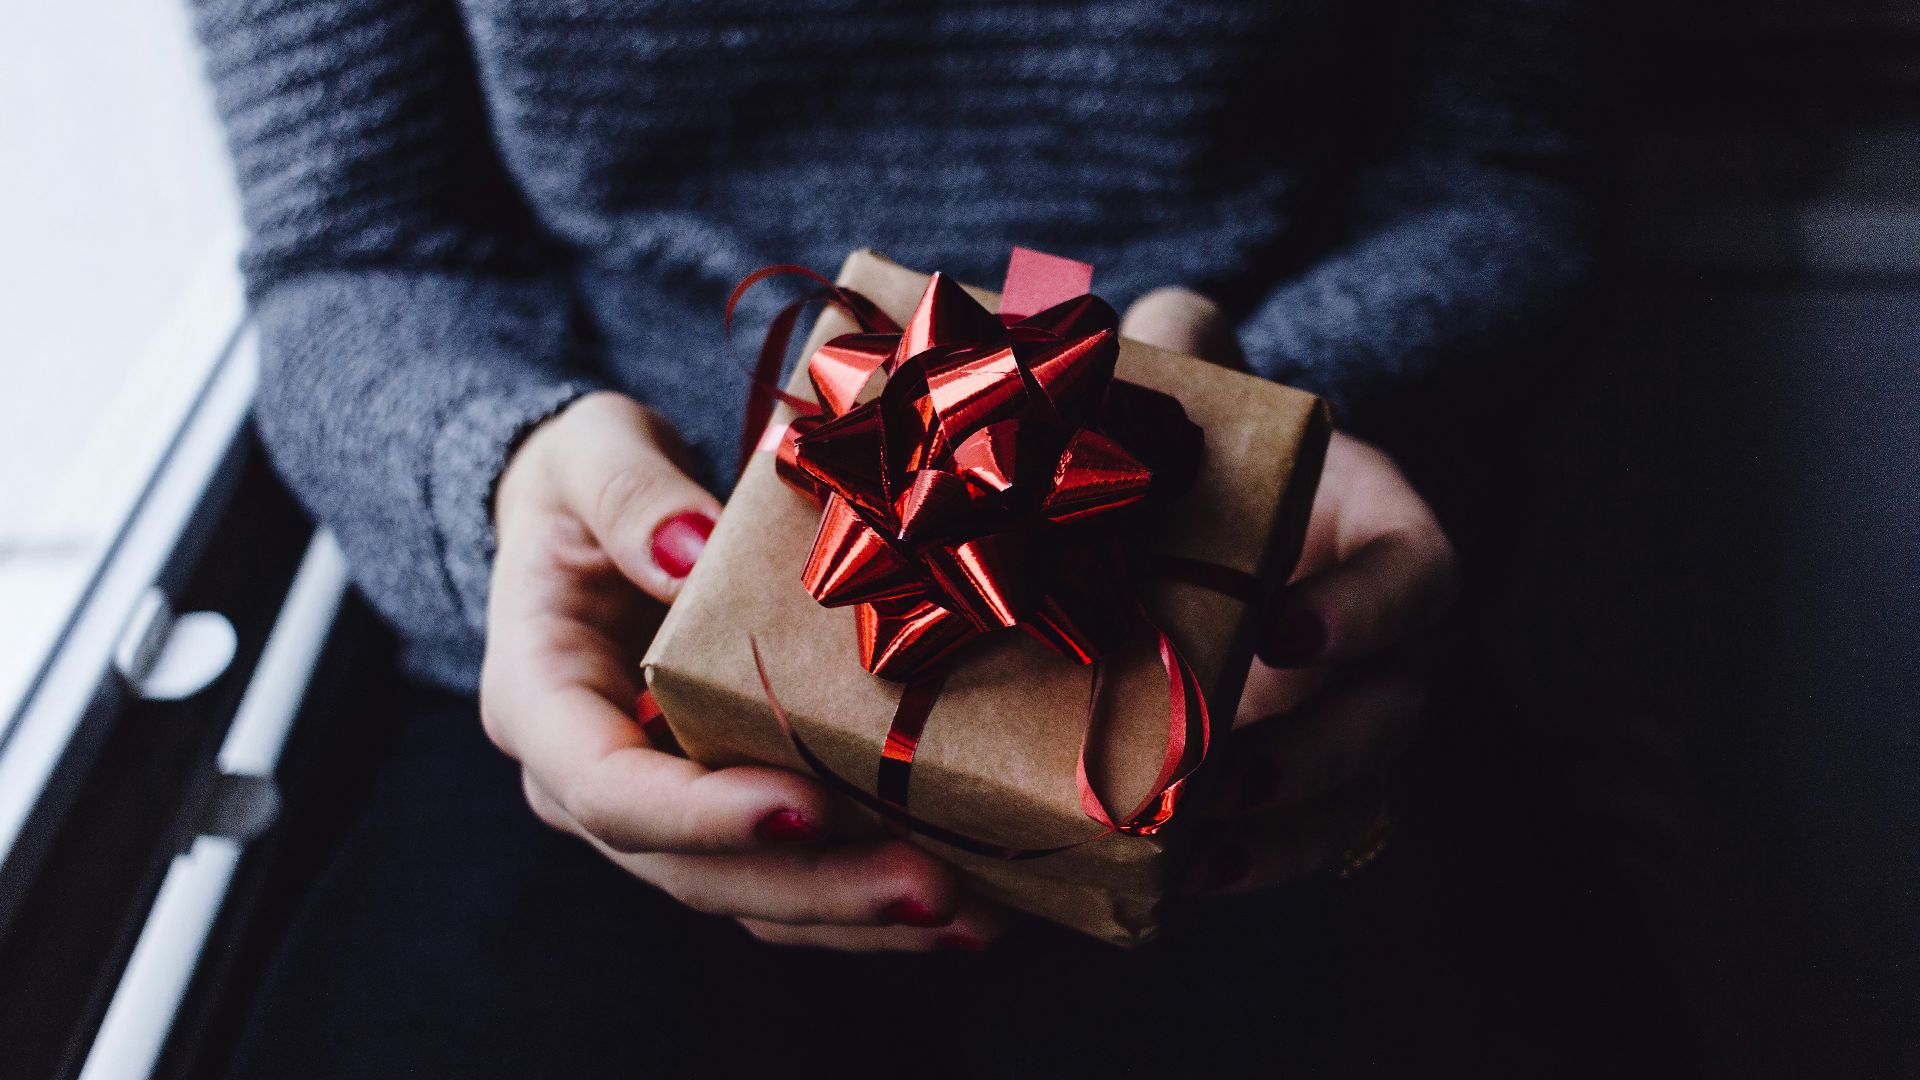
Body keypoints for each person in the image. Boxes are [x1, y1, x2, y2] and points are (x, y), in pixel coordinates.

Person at [190, 0, 1596, 1074]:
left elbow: (1499, 177)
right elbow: (357, 244)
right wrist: (497, 473)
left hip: (1258, 633)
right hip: (622, 639)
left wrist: (1257, 439)